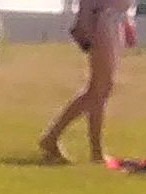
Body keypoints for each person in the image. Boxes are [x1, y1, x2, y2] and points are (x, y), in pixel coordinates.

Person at [38, 0, 132, 168]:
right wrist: (84, 21)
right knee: (99, 88)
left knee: (101, 89)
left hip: (114, 16)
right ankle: (54, 138)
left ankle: (93, 150)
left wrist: (125, 20)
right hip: (104, 18)